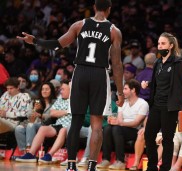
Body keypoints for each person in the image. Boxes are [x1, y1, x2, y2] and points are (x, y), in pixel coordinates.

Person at [17, 0, 124, 171]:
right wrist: (120, 91)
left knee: (76, 121)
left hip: (80, 73)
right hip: (99, 75)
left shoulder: (79, 25)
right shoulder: (114, 31)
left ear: (94, 7)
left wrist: (35, 40)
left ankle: (72, 165)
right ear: (109, 9)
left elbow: (58, 44)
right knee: (97, 125)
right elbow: (117, 64)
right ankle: (91, 166)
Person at [142, 32, 182, 171]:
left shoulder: (178, 62)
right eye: (159, 43)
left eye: (163, 43)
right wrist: (148, 83)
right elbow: (158, 82)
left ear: (171, 45)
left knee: (167, 139)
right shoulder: (158, 62)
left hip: (169, 107)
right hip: (156, 105)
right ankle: (152, 167)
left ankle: (165, 168)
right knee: (148, 135)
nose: (160, 46)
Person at [15, 81, 72, 163]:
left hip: (68, 125)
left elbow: (52, 115)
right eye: (43, 89)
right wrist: (68, 111)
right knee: (42, 129)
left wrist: (59, 112)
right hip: (57, 124)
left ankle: (49, 155)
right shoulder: (59, 100)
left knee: (62, 130)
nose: (61, 91)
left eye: (63, 89)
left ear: (70, 90)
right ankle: (30, 154)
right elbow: (53, 113)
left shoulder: (75, 100)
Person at [97, 79, 148, 170]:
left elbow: (136, 122)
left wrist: (119, 123)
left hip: (135, 130)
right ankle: (106, 159)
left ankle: (120, 161)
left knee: (117, 129)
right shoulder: (123, 103)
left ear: (133, 90)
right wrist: (114, 121)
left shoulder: (143, 103)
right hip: (122, 127)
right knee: (108, 128)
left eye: (125, 89)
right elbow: (119, 119)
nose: (123, 91)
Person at [15, 82, 57, 154]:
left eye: (47, 89)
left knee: (30, 125)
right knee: (18, 128)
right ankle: (23, 152)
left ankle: (30, 151)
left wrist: (41, 115)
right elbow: (28, 114)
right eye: (43, 89)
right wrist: (35, 110)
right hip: (32, 122)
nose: (44, 91)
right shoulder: (35, 101)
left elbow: (53, 115)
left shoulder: (55, 102)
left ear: (51, 90)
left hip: (45, 124)